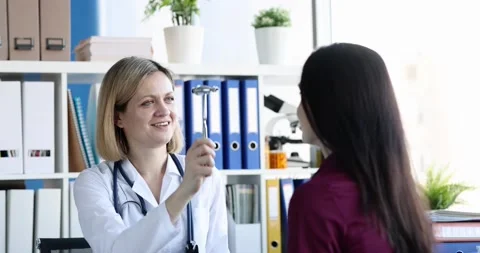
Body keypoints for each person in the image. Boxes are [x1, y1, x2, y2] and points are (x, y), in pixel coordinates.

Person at [288, 43, 435, 253]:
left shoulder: (318, 200)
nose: (298, 109)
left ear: (327, 105)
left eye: (303, 96)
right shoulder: (401, 196)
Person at [73, 56, 230, 253]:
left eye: (169, 99)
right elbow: (116, 250)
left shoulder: (207, 176)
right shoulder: (94, 183)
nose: (164, 111)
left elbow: (218, 248)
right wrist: (184, 192)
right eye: (148, 103)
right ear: (118, 117)